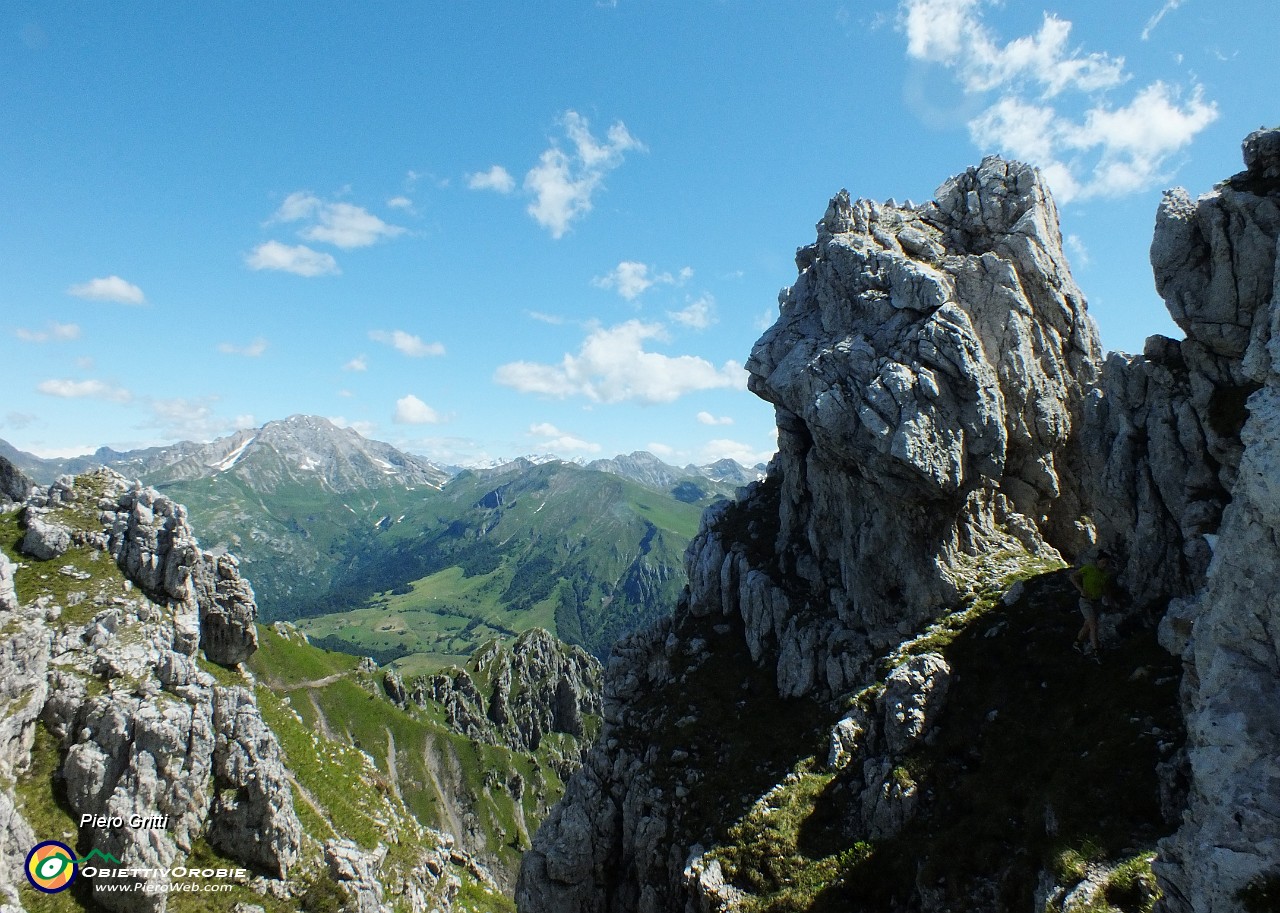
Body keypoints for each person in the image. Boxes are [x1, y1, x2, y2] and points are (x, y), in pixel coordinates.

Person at [1070, 550, 1115, 661]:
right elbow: (1072, 576)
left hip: (1097, 602)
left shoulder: (1106, 574)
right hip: (1085, 601)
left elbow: (1105, 589)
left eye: (1107, 563)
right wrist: (1081, 589)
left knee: (1088, 625)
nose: (1105, 565)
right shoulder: (1089, 568)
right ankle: (1096, 651)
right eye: (1103, 562)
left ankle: (1077, 643)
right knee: (1093, 624)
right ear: (1098, 561)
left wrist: (1111, 603)